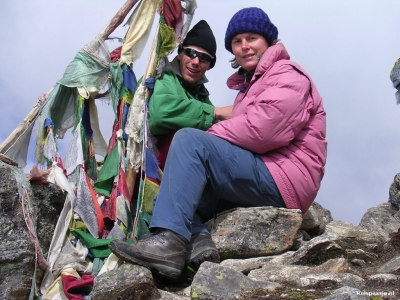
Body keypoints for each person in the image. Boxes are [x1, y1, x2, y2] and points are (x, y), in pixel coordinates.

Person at [110, 7, 327, 281]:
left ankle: (171, 242)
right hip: (268, 172)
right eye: (237, 42)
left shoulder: (286, 74)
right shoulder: (251, 86)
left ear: (269, 41)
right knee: (184, 185)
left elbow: (263, 130)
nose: (245, 46)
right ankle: (199, 242)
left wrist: (208, 134)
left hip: (284, 177)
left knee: (190, 142)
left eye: (252, 39)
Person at [148, 19, 232, 170]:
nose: (195, 61)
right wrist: (217, 112)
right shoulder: (163, 78)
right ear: (180, 53)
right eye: (191, 53)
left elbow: (217, 128)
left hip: (183, 170)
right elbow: (160, 114)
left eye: (204, 58)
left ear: (209, 65)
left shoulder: (201, 95)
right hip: (152, 170)